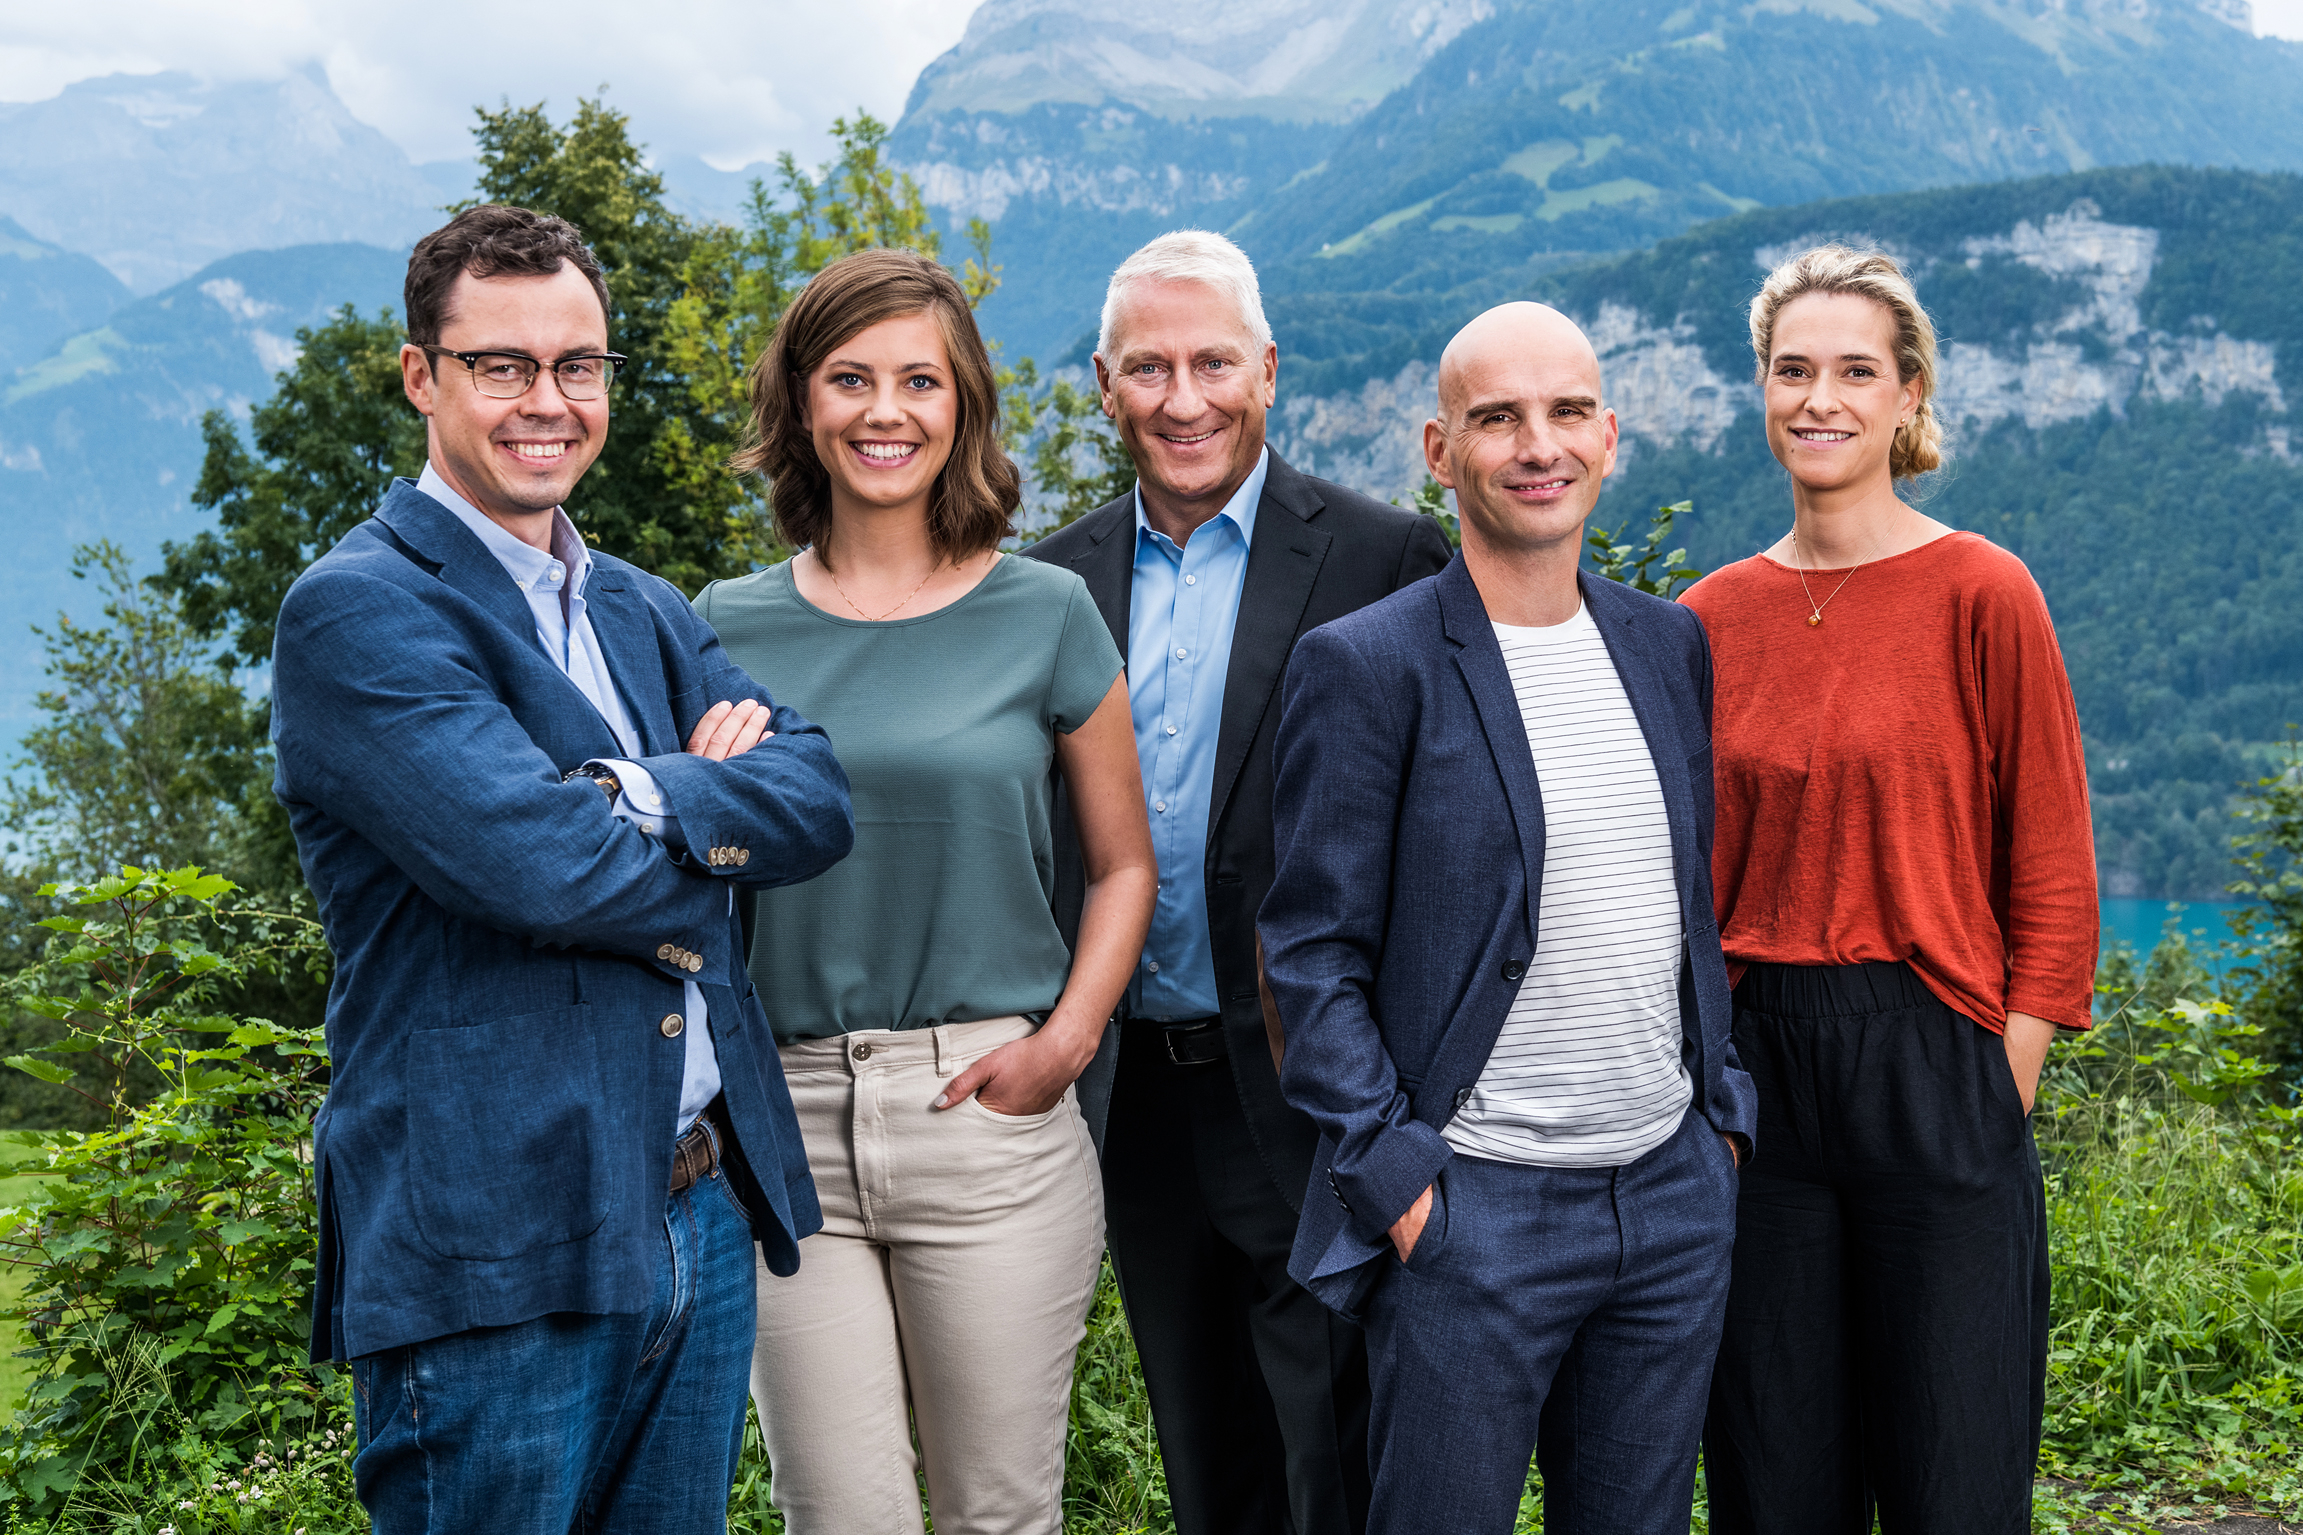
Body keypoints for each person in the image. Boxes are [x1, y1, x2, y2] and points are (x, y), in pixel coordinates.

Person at [269, 204, 855, 1531]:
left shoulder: (639, 603)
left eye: (576, 364)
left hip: (694, 1209)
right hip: (494, 1235)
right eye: (502, 365)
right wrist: (709, 825)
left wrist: (631, 788)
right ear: (421, 376)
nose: (549, 400)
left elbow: (817, 794)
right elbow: (545, 870)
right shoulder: (360, 609)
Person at [1260, 301, 1757, 1535]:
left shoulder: (1665, 642)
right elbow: (1307, 953)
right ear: (1439, 450)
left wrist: (1720, 1124)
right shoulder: (1366, 663)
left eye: (1565, 412)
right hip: (1472, 1210)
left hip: (1669, 1195)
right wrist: (1398, 1179)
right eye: (1497, 418)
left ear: (1608, 436)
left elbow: (1683, 898)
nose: (1538, 445)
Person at [693, 247, 1157, 1535]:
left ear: (962, 405)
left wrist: (1064, 1042)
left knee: (997, 1517)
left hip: (987, 1115)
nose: (884, 410)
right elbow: (687, 871)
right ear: (801, 401)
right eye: (850, 378)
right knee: (838, 1516)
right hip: (784, 1124)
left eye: (918, 380)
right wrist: (702, 797)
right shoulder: (718, 625)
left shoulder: (1046, 612)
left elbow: (1123, 863)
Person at [1026, 229, 1453, 1535]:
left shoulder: (1385, 556)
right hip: (1133, 1098)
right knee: (1205, 1457)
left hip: (1312, 1089)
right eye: (1147, 368)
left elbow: (1445, 834)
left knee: (1341, 1461)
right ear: (1103, 384)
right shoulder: (1043, 582)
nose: (1183, 399)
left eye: (1212, 363)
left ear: (1267, 370)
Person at [1684, 246, 2097, 1534]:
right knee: (1771, 1477)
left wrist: (1995, 1084)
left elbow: (2051, 867)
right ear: (1760, 389)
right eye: (1791, 370)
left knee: (1951, 1476)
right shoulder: (1706, 617)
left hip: (1934, 1059)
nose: (1819, 398)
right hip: (1758, 1076)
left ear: (1907, 394)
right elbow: (1681, 884)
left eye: (1855, 371)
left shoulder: (1981, 590)